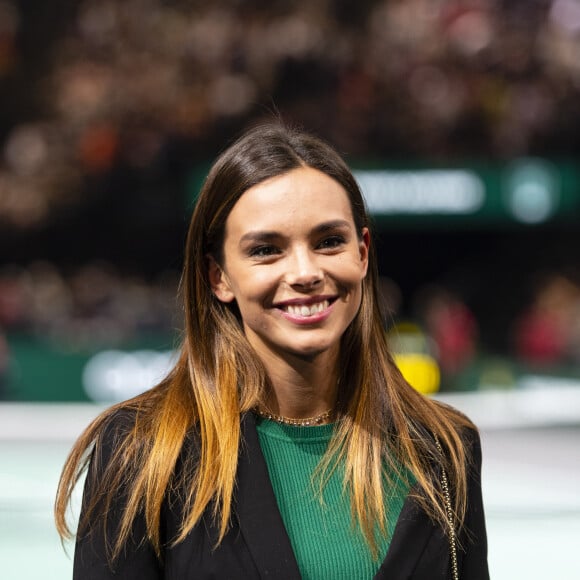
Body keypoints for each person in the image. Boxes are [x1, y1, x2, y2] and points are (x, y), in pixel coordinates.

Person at [55, 122, 489, 579]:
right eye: (266, 249)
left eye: (328, 242)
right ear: (218, 276)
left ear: (362, 253)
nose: (305, 271)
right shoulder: (143, 451)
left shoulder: (445, 449)